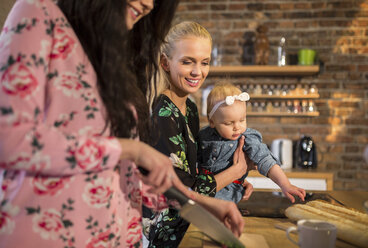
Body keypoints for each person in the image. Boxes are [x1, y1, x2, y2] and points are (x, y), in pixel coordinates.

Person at [0, 1, 244, 247]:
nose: (149, 4)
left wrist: (200, 203)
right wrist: (130, 149)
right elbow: (9, 140)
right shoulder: (37, 14)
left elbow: (120, 175)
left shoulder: (111, 51)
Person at [143, 21, 252, 248]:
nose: (197, 72)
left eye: (205, 63)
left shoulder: (190, 107)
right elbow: (181, 189)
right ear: (165, 62)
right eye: (187, 62)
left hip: (190, 223)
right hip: (164, 235)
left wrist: (235, 182)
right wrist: (235, 171)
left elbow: (196, 171)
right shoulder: (163, 113)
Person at [198, 82, 306, 203]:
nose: (237, 127)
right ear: (212, 122)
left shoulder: (247, 138)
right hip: (201, 195)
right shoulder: (203, 135)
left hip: (228, 198)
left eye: (242, 120)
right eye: (229, 123)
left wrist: (286, 185)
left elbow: (266, 160)